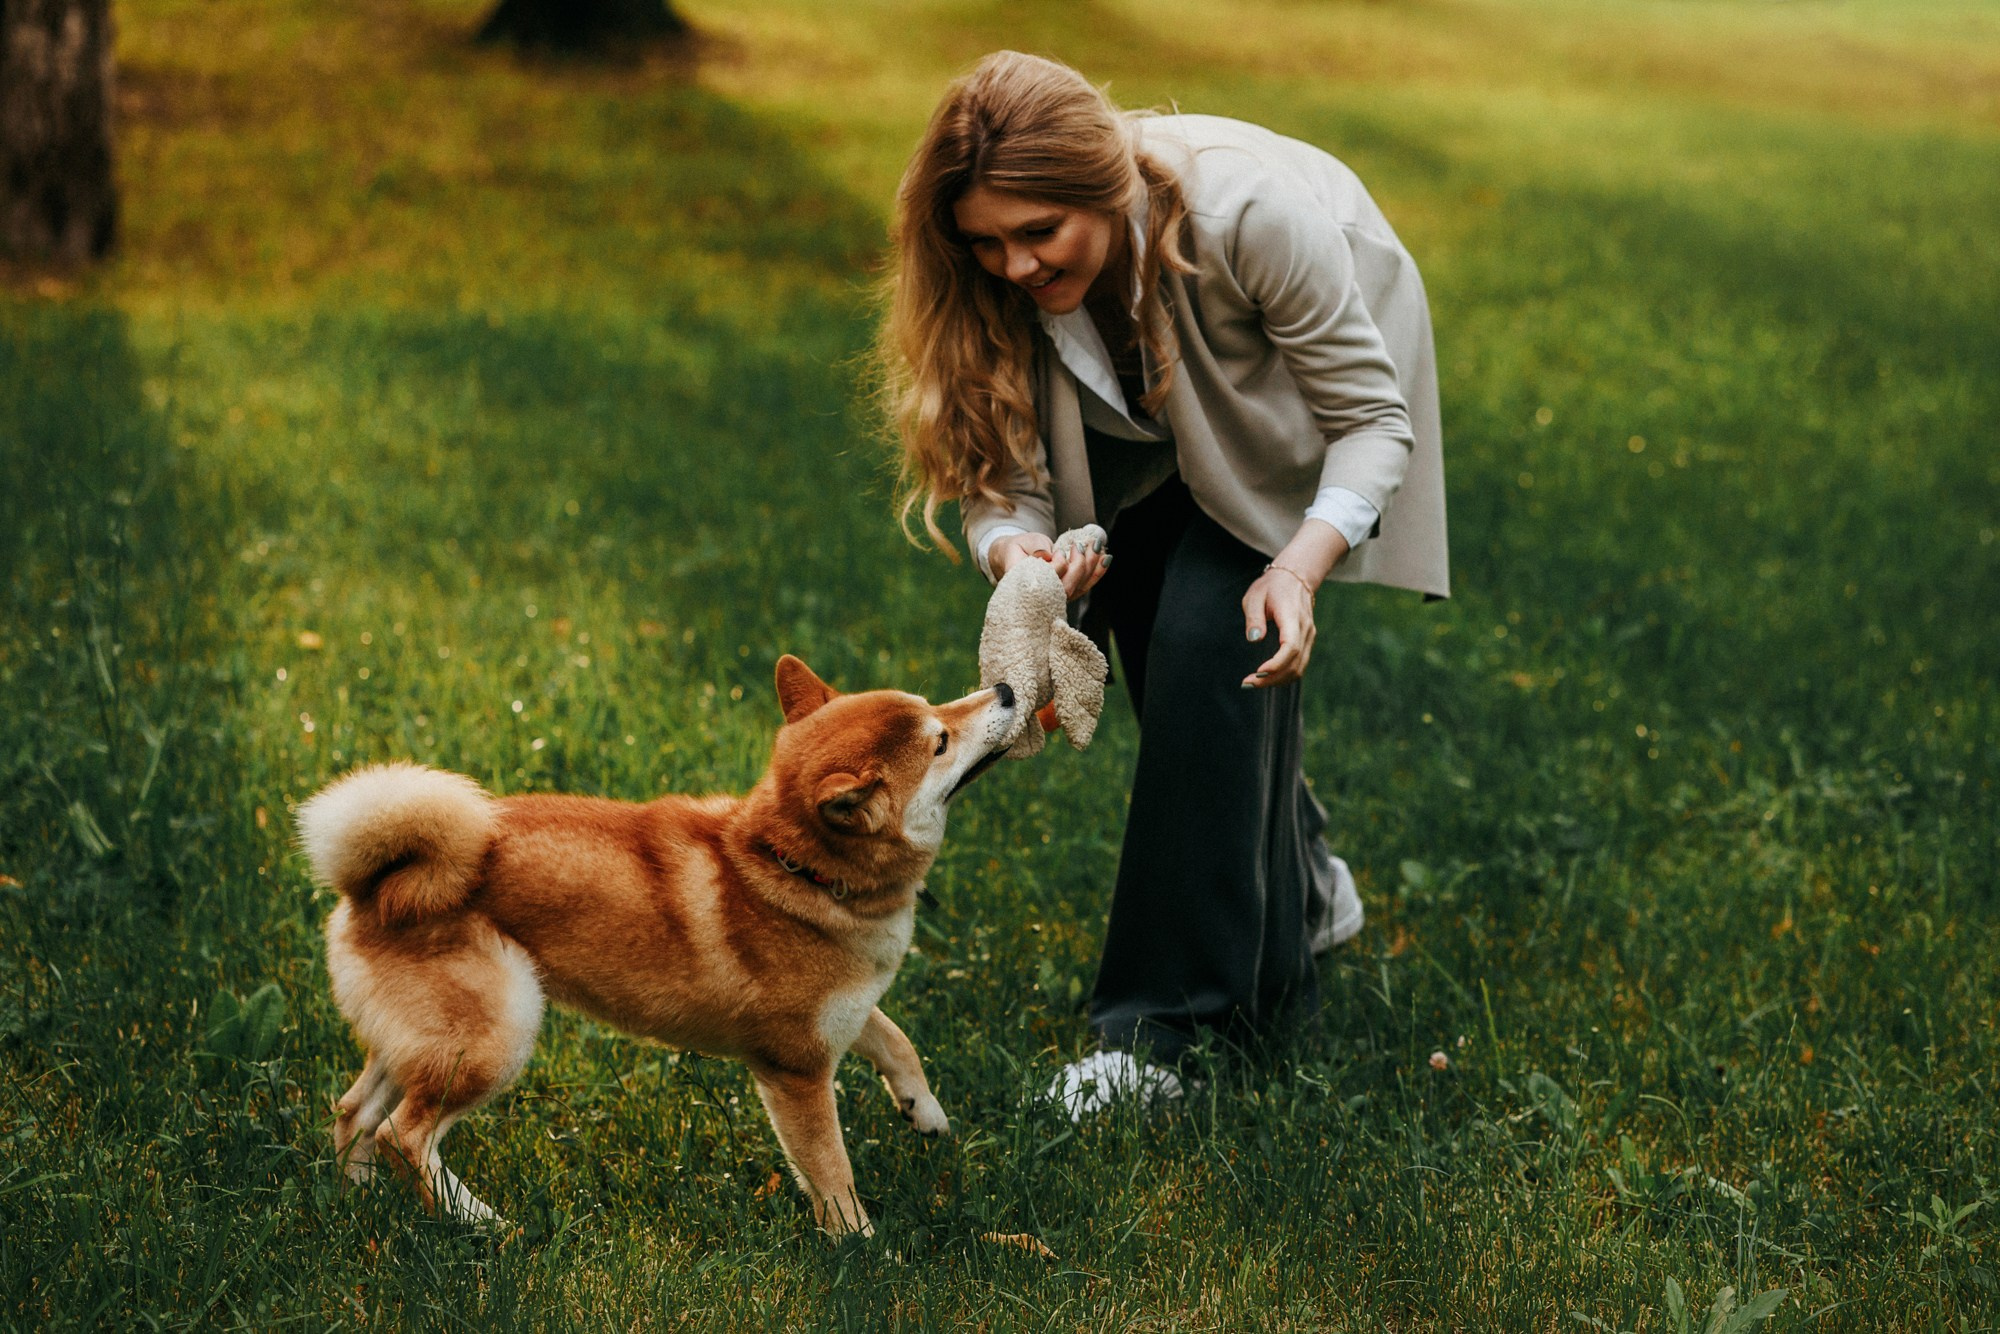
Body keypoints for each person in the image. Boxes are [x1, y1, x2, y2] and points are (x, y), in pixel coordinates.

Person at [878, 51, 1449, 1117]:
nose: (1010, 264)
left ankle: (1159, 1028)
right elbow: (991, 474)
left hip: (1289, 408)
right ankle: (1300, 886)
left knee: (1208, 633)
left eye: (1038, 233)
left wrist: (1296, 564)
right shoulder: (993, 277)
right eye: (985, 241)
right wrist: (1023, 560)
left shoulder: (1250, 214)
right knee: (1143, 622)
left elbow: (1369, 423)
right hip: (1142, 433)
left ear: (1104, 187)